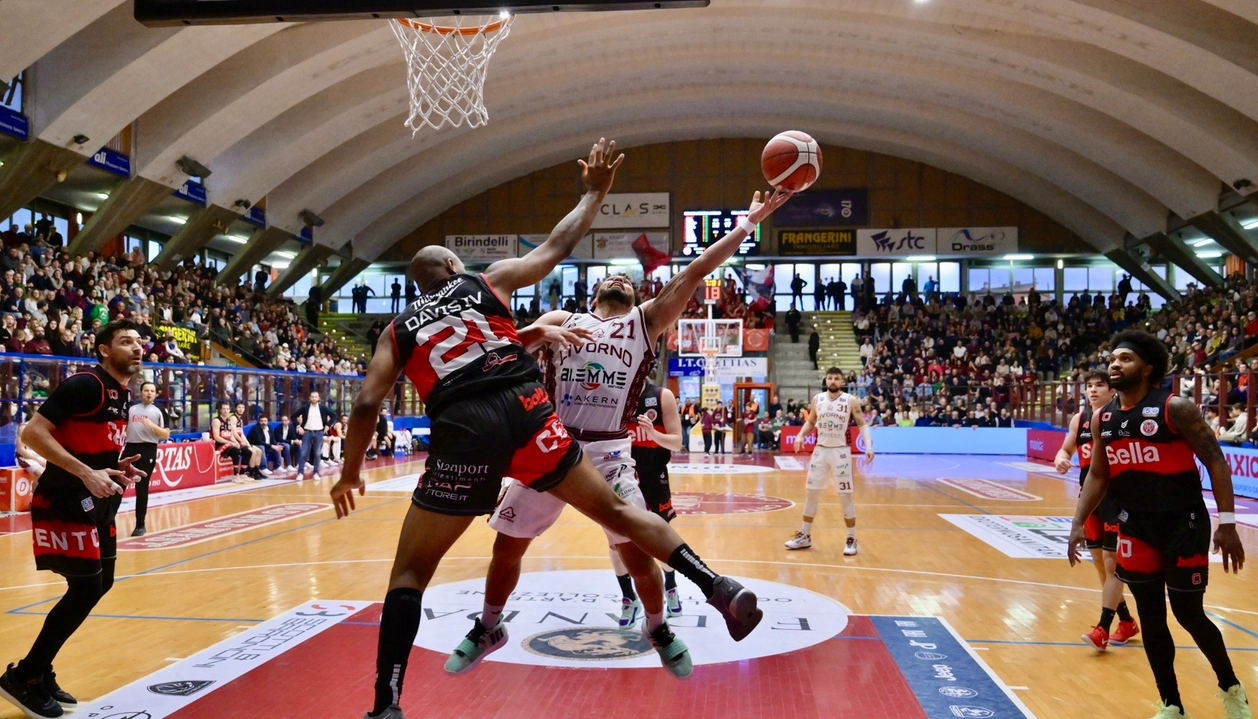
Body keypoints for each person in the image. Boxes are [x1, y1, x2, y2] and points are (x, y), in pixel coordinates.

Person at [328, 139, 765, 719]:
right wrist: (590, 204)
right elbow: (547, 267)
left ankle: (387, 704)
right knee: (548, 536)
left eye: (625, 282)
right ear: (456, 270)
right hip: (537, 419)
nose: (618, 283)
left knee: (421, 569)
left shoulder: (400, 329)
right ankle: (713, 588)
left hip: (528, 437)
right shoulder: (521, 299)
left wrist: (349, 471)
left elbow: (366, 403)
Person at [467, 183, 791, 678]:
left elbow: (697, 269)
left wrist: (747, 224)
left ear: (637, 296)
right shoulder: (561, 318)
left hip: (609, 455)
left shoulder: (645, 322)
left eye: (627, 278)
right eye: (610, 276)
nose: (618, 277)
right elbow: (501, 356)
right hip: (552, 446)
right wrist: (536, 334)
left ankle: (657, 628)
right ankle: (490, 624)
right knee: (506, 546)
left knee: (639, 555)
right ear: (593, 294)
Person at [1068, 330, 1252, 719]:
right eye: (1112, 358)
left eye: (1125, 358)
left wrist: (1228, 522)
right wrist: (1078, 522)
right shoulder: (1104, 418)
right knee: (1151, 619)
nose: (1115, 364)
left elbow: (1216, 460)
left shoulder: (1175, 408)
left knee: (1188, 614)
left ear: (1147, 368)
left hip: (1183, 524)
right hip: (1135, 526)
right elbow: (1098, 476)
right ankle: (1171, 704)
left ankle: (1231, 688)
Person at [0, 321, 145, 719]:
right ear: (102, 349)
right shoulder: (85, 384)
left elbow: (84, 443)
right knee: (84, 589)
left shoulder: (121, 392)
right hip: (66, 498)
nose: (137, 348)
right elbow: (33, 433)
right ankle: (25, 676)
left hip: (100, 497)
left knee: (102, 583)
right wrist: (85, 471)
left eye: (139, 342)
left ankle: (39, 669)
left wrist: (114, 466)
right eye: (126, 341)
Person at [1053, 371, 1138, 651]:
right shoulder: (1080, 420)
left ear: (1113, 391)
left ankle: (1103, 627)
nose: (1093, 390)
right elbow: (1065, 449)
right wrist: (1061, 459)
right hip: (1090, 500)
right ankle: (1126, 621)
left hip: (1118, 497)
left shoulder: (1121, 417)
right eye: (1089, 386)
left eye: (1100, 385)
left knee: (1112, 563)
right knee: (1101, 564)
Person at [785, 367, 873, 556]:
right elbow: (811, 422)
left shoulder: (850, 400)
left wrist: (868, 446)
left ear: (843, 381)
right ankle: (805, 535)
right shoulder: (818, 399)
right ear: (826, 380)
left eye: (837, 378)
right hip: (820, 451)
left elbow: (862, 423)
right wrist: (800, 435)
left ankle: (851, 538)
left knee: (844, 496)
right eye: (830, 378)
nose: (833, 381)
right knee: (811, 494)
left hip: (840, 452)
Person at [622, 379, 685, 618]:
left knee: (660, 537)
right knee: (617, 541)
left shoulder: (661, 396)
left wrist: (653, 434)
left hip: (653, 475)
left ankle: (670, 587)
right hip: (622, 474)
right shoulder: (615, 394)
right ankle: (628, 596)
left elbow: (677, 443)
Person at [124, 381, 168, 537]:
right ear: (140, 392)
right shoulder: (131, 409)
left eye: (152, 391)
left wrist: (152, 426)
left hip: (148, 449)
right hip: (130, 448)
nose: (149, 393)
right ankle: (105, 520)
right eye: (146, 390)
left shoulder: (160, 411)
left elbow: (166, 434)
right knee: (116, 483)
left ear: (156, 393)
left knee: (141, 488)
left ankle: (140, 524)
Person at [292, 391, 335, 480]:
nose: (314, 398)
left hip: (319, 432)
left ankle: (316, 472)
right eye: (312, 397)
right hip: (307, 432)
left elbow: (334, 415)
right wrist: (298, 426)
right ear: (310, 398)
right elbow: (293, 416)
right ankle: (300, 473)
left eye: (315, 397)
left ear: (318, 398)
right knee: (304, 453)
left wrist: (328, 425)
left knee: (317, 453)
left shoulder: (323, 408)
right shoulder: (305, 408)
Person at [211, 402, 253, 482]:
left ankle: (242, 473)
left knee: (248, 451)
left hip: (229, 443)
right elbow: (216, 437)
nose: (225, 411)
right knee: (236, 451)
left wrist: (236, 442)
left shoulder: (228, 421)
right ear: (220, 410)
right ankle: (235, 474)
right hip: (220, 444)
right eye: (223, 409)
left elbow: (231, 435)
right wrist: (231, 443)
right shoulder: (216, 420)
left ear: (230, 410)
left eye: (227, 409)